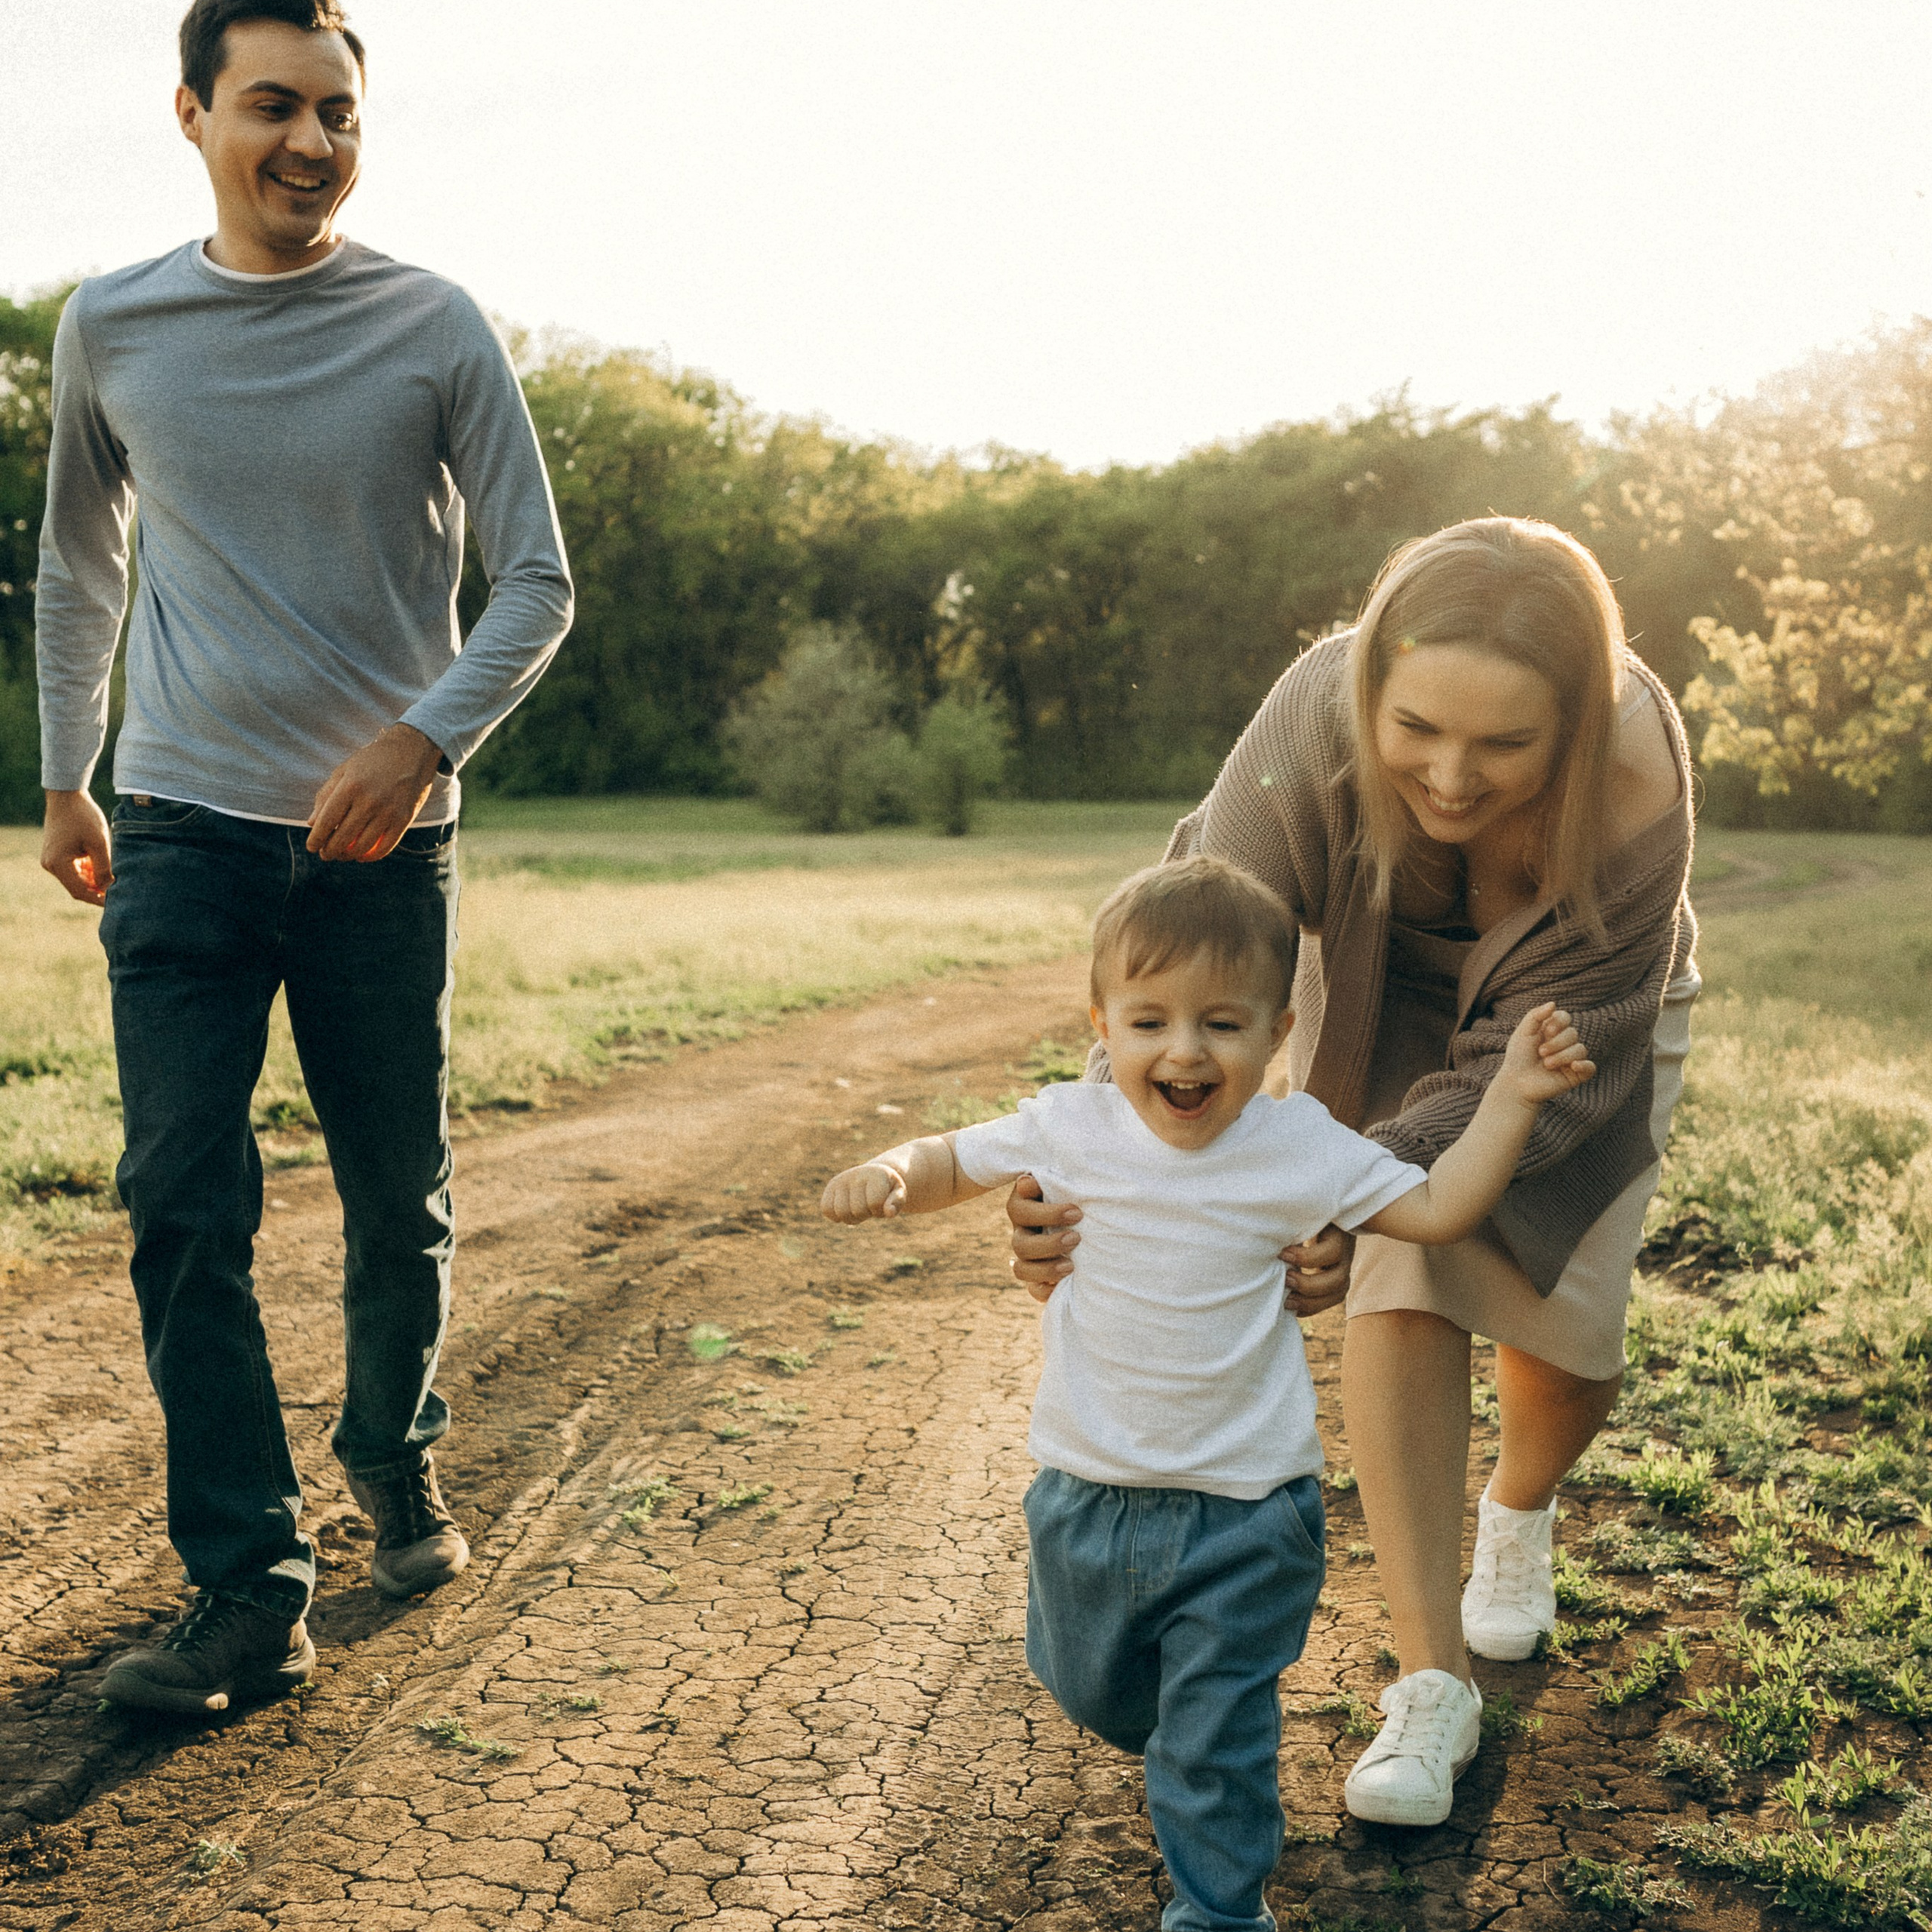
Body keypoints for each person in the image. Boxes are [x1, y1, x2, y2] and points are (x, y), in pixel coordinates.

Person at [35, 0, 573, 1714]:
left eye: (338, 113)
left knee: (392, 1200)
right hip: (182, 829)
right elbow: (78, 572)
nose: (310, 143)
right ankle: (247, 1584)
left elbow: (536, 585)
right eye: (272, 106)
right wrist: (69, 776)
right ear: (191, 112)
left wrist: (422, 740)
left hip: (379, 851)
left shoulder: (431, 326)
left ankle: (394, 1458)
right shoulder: (110, 326)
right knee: (182, 1199)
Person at [1007, 517, 1697, 1828]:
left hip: (1573, 1028)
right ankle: (1433, 1685)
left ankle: (1520, 1505)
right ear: (1369, 684)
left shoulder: (1632, 778)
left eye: (1504, 745)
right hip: (1378, 998)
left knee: (1568, 1343)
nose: (1449, 775)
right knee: (1405, 1259)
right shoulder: (1315, 707)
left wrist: (1340, 1178)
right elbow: (1198, 933)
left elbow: (1547, 1053)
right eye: (1418, 728)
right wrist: (1098, 1171)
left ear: (1577, 719)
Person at [823, 857, 1595, 1932]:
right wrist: (898, 1174)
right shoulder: (1069, 1123)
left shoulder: (1300, 1146)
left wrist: (1510, 1097)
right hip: (1086, 1496)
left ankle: (1221, 1907)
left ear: (1278, 1031)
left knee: (1216, 1734)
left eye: (1222, 1026)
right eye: (1150, 1023)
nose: (1184, 1051)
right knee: (1083, 1684)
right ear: (1104, 1024)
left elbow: (1439, 1209)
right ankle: (1186, 1741)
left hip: (1246, 1512)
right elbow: (955, 1158)